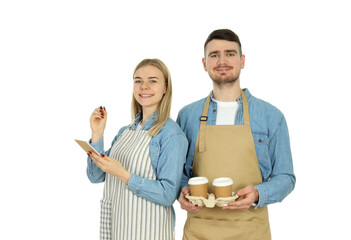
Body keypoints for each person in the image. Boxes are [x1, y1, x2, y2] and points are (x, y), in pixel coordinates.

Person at [177, 29, 296, 239]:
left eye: (230, 54)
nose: (222, 61)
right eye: (214, 55)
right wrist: (182, 191)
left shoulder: (271, 116)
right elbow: (178, 173)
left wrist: (258, 193)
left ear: (242, 60)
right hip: (199, 230)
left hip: (251, 230)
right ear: (204, 64)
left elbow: (286, 177)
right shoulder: (187, 116)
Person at [86, 58, 188, 240]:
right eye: (138, 80)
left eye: (153, 81)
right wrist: (97, 134)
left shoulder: (171, 135)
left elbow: (167, 194)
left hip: (149, 232)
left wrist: (124, 175)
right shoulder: (125, 132)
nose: (144, 86)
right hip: (119, 228)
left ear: (165, 88)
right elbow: (96, 176)